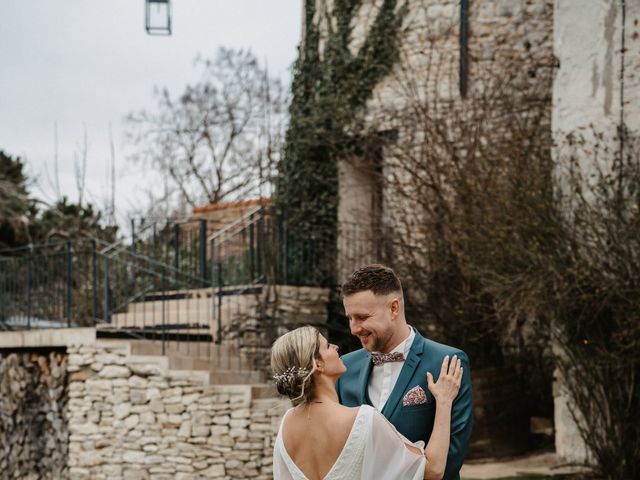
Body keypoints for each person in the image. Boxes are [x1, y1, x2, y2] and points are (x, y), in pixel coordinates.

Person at [271, 325, 462, 480]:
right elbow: (433, 471)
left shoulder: (286, 425)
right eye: (327, 346)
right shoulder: (363, 419)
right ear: (317, 364)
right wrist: (444, 402)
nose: (336, 347)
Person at [336, 264, 473, 480]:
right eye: (350, 318)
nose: (354, 329)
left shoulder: (446, 362)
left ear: (393, 308)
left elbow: (451, 457)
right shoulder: (345, 367)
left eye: (362, 317)